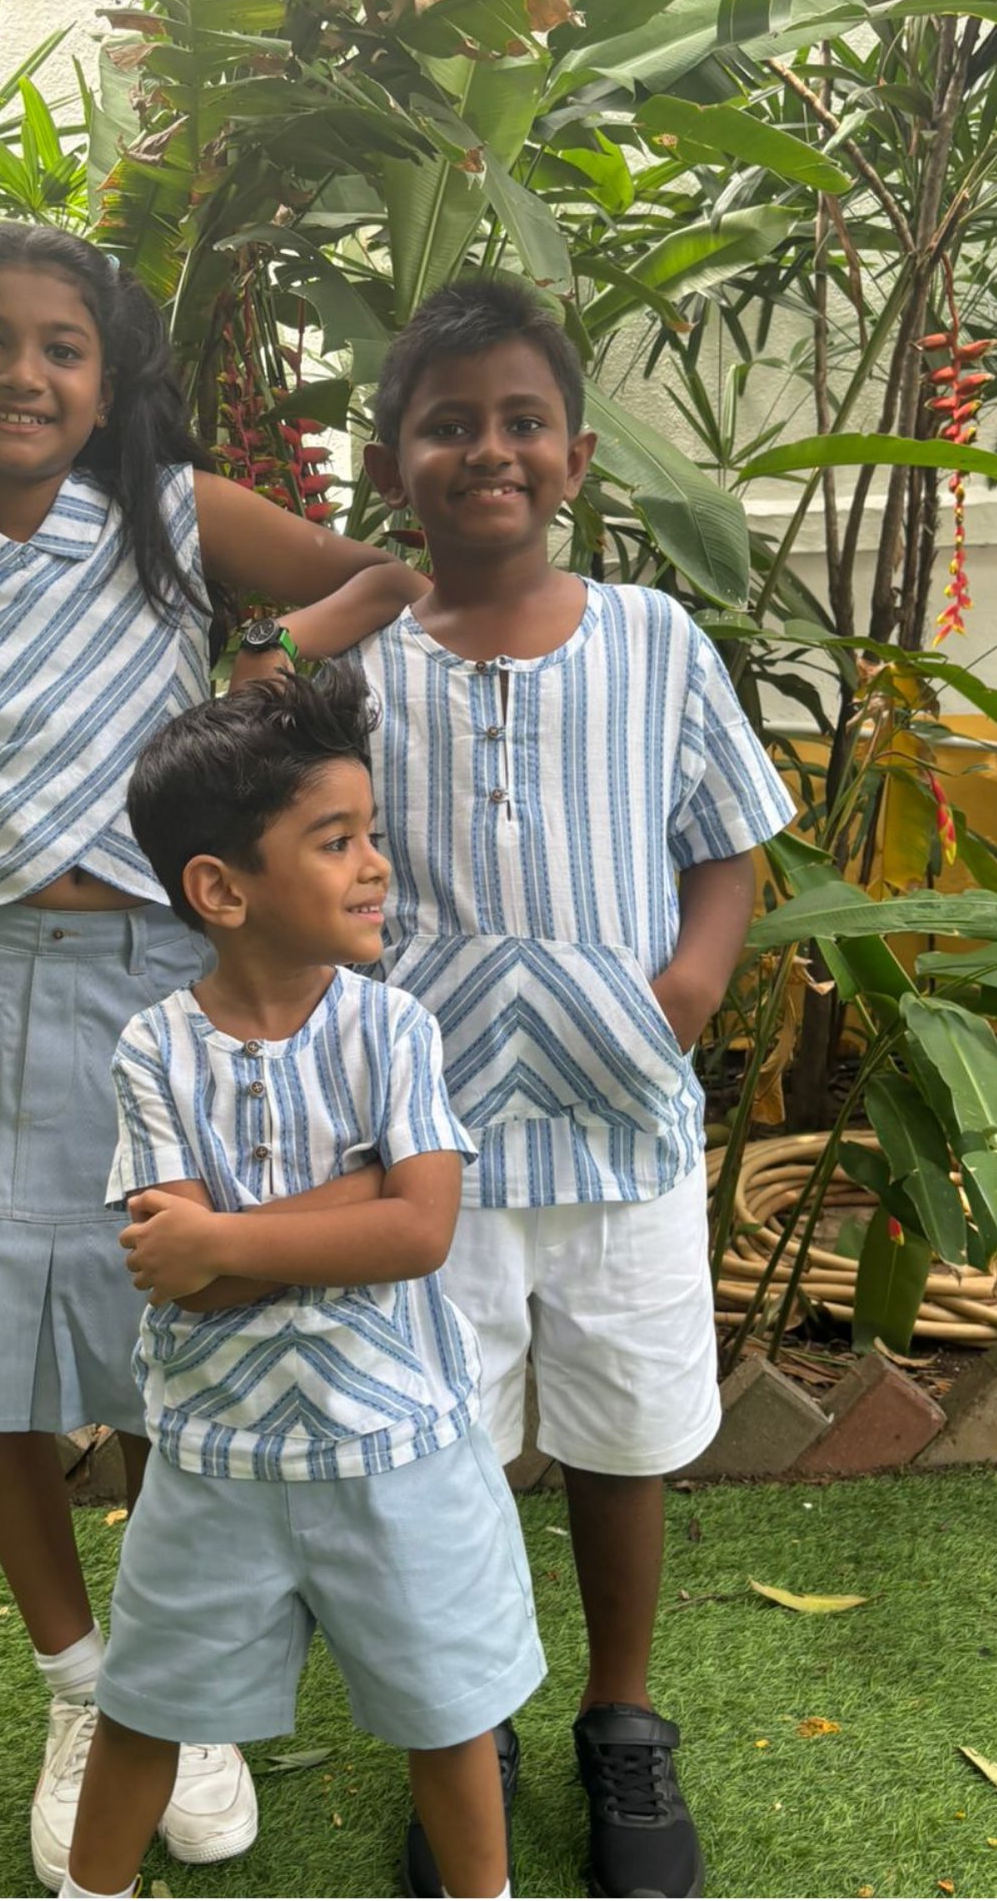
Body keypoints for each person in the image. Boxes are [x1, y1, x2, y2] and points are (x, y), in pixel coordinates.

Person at [0, 221, 421, 1889]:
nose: (22, 372)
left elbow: (375, 574)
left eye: (61, 345)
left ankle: (174, 1673)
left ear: (104, 373)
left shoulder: (164, 520)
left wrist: (265, 668)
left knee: (171, 1324)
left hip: (159, 979)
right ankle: (81, 1687)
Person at [234, 278, 796, 1900]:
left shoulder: (649, 641)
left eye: (519, 420)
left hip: (616, 1132)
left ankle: (619, 1719)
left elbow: (726, 845)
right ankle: (463, 1728)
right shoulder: (363, 676)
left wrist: (688, 983)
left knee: (621, 1443)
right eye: (446, 423)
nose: (487, 448)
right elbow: (220, 751)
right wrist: (322, 619)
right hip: (428, 1163)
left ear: (570, 454)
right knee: (441, 1456)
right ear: (396, 462)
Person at [58, 669, 544, 1901]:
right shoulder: (151, 1049)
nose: (374, 863)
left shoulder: (395, 1030)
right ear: (220, 889)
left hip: (400, 1454)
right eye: (337, 840)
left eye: (370, 833)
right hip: (213, 1464)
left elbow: (421, 1227)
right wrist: (350, 1199)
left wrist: (228, 1235)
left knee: (452, 1715)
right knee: (144, 1706)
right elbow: (176, 1274)